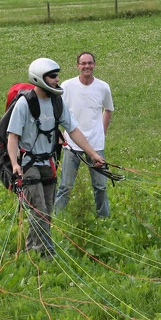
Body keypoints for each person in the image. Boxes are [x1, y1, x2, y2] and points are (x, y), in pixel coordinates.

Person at [7, 57, 105, 258]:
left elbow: (74, 130)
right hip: (29, 164)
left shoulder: (57, 102)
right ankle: (47, 254)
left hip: (49, 163)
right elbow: (13, 136)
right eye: (52, 76)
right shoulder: (25, 104)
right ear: (39, 77)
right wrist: (15, 164)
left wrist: (93, 153)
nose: (56, 79)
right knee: (39, 210)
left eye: (56, 75)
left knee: (46, 213)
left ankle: (30, 250)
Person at [54, 52, 115, 218]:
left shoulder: (103, 87)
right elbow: (57, 111)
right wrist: (59, 135)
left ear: (94, 65)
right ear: (78, 66)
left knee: (100, 185)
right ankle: (56, 218)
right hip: (71, 145)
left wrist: (102, 132)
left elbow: (108, 109)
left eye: (90, 63)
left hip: (96, 145)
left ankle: (103, 218)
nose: (87, 66)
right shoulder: (67, 86)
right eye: (83, 63)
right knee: (66, 186)